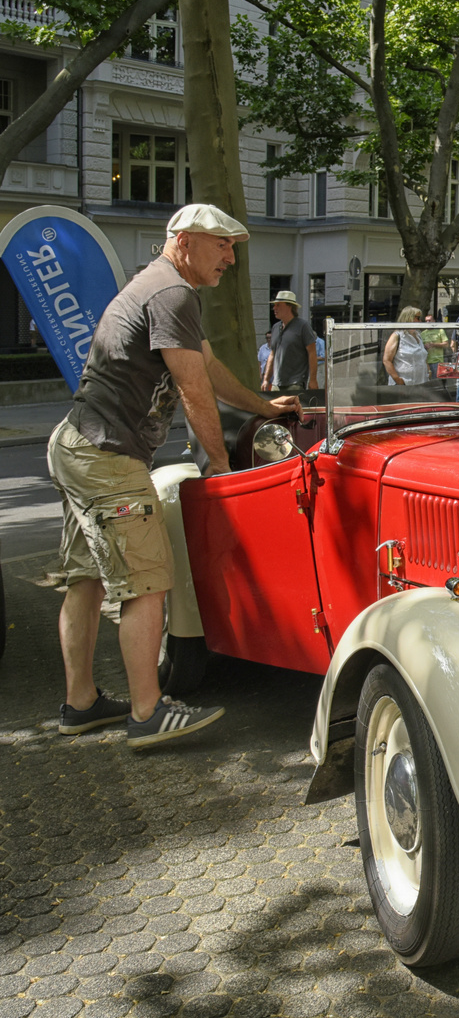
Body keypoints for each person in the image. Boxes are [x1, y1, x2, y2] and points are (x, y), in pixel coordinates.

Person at [48, 203, 300, 747]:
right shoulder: (172, 293)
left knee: (87, 579)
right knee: (148, 581)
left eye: (233, 247)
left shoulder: (158, 287)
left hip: (75, 443)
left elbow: (206, 366)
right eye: (221, 246)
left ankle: (81, 703)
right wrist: (224, 467)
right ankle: (147, 713)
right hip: (106, 454)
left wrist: (265, 406)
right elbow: (193, 389)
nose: (231, 258)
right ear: (185, 241)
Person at [261, 290, 317, 393]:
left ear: (289, 306)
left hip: (295, 383)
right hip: (276, 384)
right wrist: (265, 379)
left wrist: (313, 380)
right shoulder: (275, 327)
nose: (274, 308)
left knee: (292, 409)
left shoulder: (303, 326)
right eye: (274, 305)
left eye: (278, 305)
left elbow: (312, 353)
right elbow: (272, 355)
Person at [383, 306, 430, 385]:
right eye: (417, 318)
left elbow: (423, 357)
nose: (420, 321)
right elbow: (387, 360)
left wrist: (429, 371)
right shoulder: (397, 336)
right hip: (404, 384)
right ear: (408, 318)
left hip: (421, 383)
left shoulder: (418, 335)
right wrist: (398, 380)